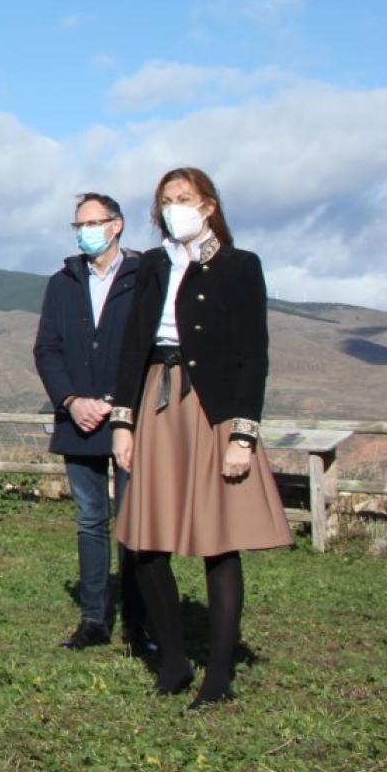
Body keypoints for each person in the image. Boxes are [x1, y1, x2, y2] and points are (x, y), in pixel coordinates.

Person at [112, 167, 291, 708]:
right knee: (145, 543)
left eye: (183, 198)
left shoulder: (239, 266)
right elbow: (132, 344)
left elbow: (252, 355)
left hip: (211, 407)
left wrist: (242, 435)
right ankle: (171, 660)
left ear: (209, 205)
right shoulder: (152, 265)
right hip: (155, 399)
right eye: (165, 200)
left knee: (218, 542)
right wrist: (124, 422)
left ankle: (219, 672)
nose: (173, 208)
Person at [32, 193, 147, 653]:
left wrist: (119, 404)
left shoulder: (143, 278)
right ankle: (95, 618)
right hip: (77, 418)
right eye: (78, 224)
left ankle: (143, 620)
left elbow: (147, 347)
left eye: (93, 222)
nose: (84, 231)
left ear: (117, 225)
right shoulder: (62, 283)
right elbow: (47, 349)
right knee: (90, 520)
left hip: (133, 420)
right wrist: (71, 399)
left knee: (138, 520)